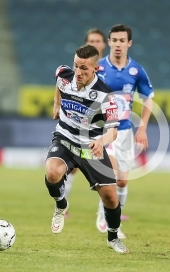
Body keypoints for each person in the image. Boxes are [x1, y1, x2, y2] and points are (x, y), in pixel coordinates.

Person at [44, 44, 129, 254]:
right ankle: (61, 205)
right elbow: (58, 80)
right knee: (52, 172)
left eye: (84, 68)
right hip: (64, 137)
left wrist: (102, 141)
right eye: (76, 66)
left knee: (110, 196)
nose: (78, 72)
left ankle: (113, 236)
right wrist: (56, 103)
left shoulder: (106, 96)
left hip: (91, 146)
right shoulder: (64, 76)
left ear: (95, 69)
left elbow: (113, 131)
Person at [95, 24, 154, 239]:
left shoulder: (136, 70)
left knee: (122, 181)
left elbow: (149, 98)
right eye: (114, 40)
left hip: (126, 131)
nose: (118, 44)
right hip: (104, 130)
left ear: (129, 43)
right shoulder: (98, 67)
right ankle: (104, 216)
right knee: (109, 175)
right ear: (108, 42)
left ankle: (114, 221)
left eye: (122, 41)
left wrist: (143, 128)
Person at [64, 28, 107, 207]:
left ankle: (106, 213)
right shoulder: (82, 68)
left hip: (105, 125)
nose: (94, 44)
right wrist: (57, 102)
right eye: (91, 41)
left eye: (98, 41)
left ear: (104, 44)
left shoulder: (111, 68)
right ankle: (62, 204)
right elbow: (62, 82)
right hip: (82, 125)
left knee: (109, 173)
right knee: (72, 167)